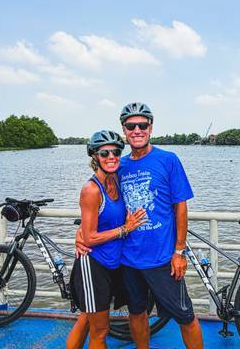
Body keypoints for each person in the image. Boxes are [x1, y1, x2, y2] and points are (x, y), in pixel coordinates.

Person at [117, 102, 204, 349]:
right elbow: (104, 202)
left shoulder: (168, 160)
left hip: (163, 259)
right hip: (129, 258)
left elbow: (181, 207)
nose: (137, 130)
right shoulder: (119, 166)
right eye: (131, 126)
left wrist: (179, 252)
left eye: (142, 125)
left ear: (150, 128)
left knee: (185, 317)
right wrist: (84, 231)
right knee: (136, 312)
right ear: (124, 129)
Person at [66, 130, 147, 349]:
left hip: (114, 263)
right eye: (105, 153)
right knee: (100, 330)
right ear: (94, 156)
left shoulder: (117, 180)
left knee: (86, 318)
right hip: (94, 265)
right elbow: (90, 237)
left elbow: (91, 225)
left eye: (116, 152)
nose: (111, 157)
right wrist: (125, 229)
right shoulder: (91, 190)